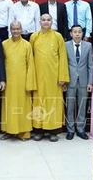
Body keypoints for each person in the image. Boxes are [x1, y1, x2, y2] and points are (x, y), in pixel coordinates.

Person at [30, 14, 69, 142]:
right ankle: (39, 130)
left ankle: (53, 130)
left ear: (52, 22)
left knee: (53, 102)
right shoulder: (34, 36)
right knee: (38, 101)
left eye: (48, 20)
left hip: (54, 76)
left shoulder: (57, 37)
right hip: (38, 75)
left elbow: (63, 57)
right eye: (43, 20)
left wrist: (62, 76)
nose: (46, 22)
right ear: (40, 22)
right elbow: (30, 58)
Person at [0, 20, 36, 141]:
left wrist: (30, 83)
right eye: (13, 29)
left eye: (18, 29)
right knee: (8, 106)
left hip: (22, 81)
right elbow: (1, 63)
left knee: (23, 106)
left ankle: (24, 132)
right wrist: (2, 80)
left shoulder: (27, 45)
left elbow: (31, 64)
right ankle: (9, 131)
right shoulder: (4, 44)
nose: (16, 31)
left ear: (21, 30)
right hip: (9, 81)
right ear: (10, 30)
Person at [65, 24, 93, 140]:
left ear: (82, 33)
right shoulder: (65, 45)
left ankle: (80, 129)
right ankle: (70, 130)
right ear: (71, 34)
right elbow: (64, 64)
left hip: (83, 80)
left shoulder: (88, 45)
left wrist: (90, 82)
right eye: (74, 32)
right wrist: (64, 81)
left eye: (79, 32)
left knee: (82, 106)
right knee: (70, 106)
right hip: (70, 81)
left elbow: (90, 65)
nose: (77, 34)